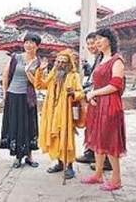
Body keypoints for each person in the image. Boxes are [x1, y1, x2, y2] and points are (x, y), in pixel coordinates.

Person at [81, 28, 126, 191]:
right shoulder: (101, 59)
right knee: (97, 138)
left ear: (109, 40)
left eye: (101, 39)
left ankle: (116, 179)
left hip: (110, 104)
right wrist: (91, 94)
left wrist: (94, 93)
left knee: (110, 140)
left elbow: (116, 85)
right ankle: (98, 174)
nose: (97, 42)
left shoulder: (117, 60)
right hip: (98, 104)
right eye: (96, 39)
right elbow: (98, 82)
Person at [34, 49, 85, 179]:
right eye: (59, 61)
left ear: (69, 64)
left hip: (65, 113)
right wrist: (40, 71)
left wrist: (73, 94)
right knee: (56, 138)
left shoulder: (74, 76)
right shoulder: (53, 74)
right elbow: (40, 85)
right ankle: (60, 163)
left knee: (66, 138)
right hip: (52, 112)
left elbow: (81, 93)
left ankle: (69, 166)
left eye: (64, 62)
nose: (61, 64)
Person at [0, 33, 41, 168]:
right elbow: (5, 76)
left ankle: (29, 156)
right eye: (26, 42)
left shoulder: (38, 62)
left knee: (29, 126)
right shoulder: (15, 58)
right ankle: (17, 157)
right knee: (16, 126)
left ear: (37, 45)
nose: (28, 45)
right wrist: (5, 95)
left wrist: (28, 71)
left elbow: (37, 83)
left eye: (31, 42)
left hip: (27, 98)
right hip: (13, 95)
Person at [75, 32, 113, 171]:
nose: (92, 46)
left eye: (95, 42)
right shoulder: (98, 58)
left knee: (105, 130)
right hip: (93, 97)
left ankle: (107, 160)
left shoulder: (110, 59)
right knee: (91, 127)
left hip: (102, 99)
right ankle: (91, 152)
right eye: (89, 43)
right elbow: (93, 81)